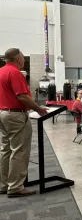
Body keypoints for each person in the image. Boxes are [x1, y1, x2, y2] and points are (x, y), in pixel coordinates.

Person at [0, 48, 48, 197]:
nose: (24, 60)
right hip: (15, 115)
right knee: (19, 150)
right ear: (17, 59)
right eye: (23, 58)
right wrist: (39, 109)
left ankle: (4, 184)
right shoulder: (14, 73)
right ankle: (15, 187)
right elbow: (22, 96)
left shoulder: (1, 71)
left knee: (5, 149)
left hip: (3, 113)